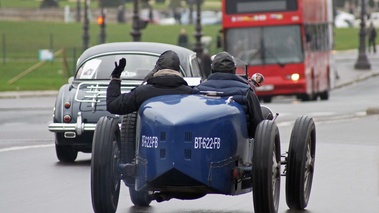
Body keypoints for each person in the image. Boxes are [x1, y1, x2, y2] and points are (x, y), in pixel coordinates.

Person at [193, 51, 264, 138]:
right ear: (234, 70)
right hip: (240, 142)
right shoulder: (246, 91)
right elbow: (258, 125)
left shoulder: (198, 90)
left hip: (204, 141)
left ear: (212, 70)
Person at [106, 50, 193, 115]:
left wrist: (115, 78)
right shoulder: (190, 93)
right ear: (178, 70)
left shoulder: (142, 93)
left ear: (157, 69)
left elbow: (112, 105)